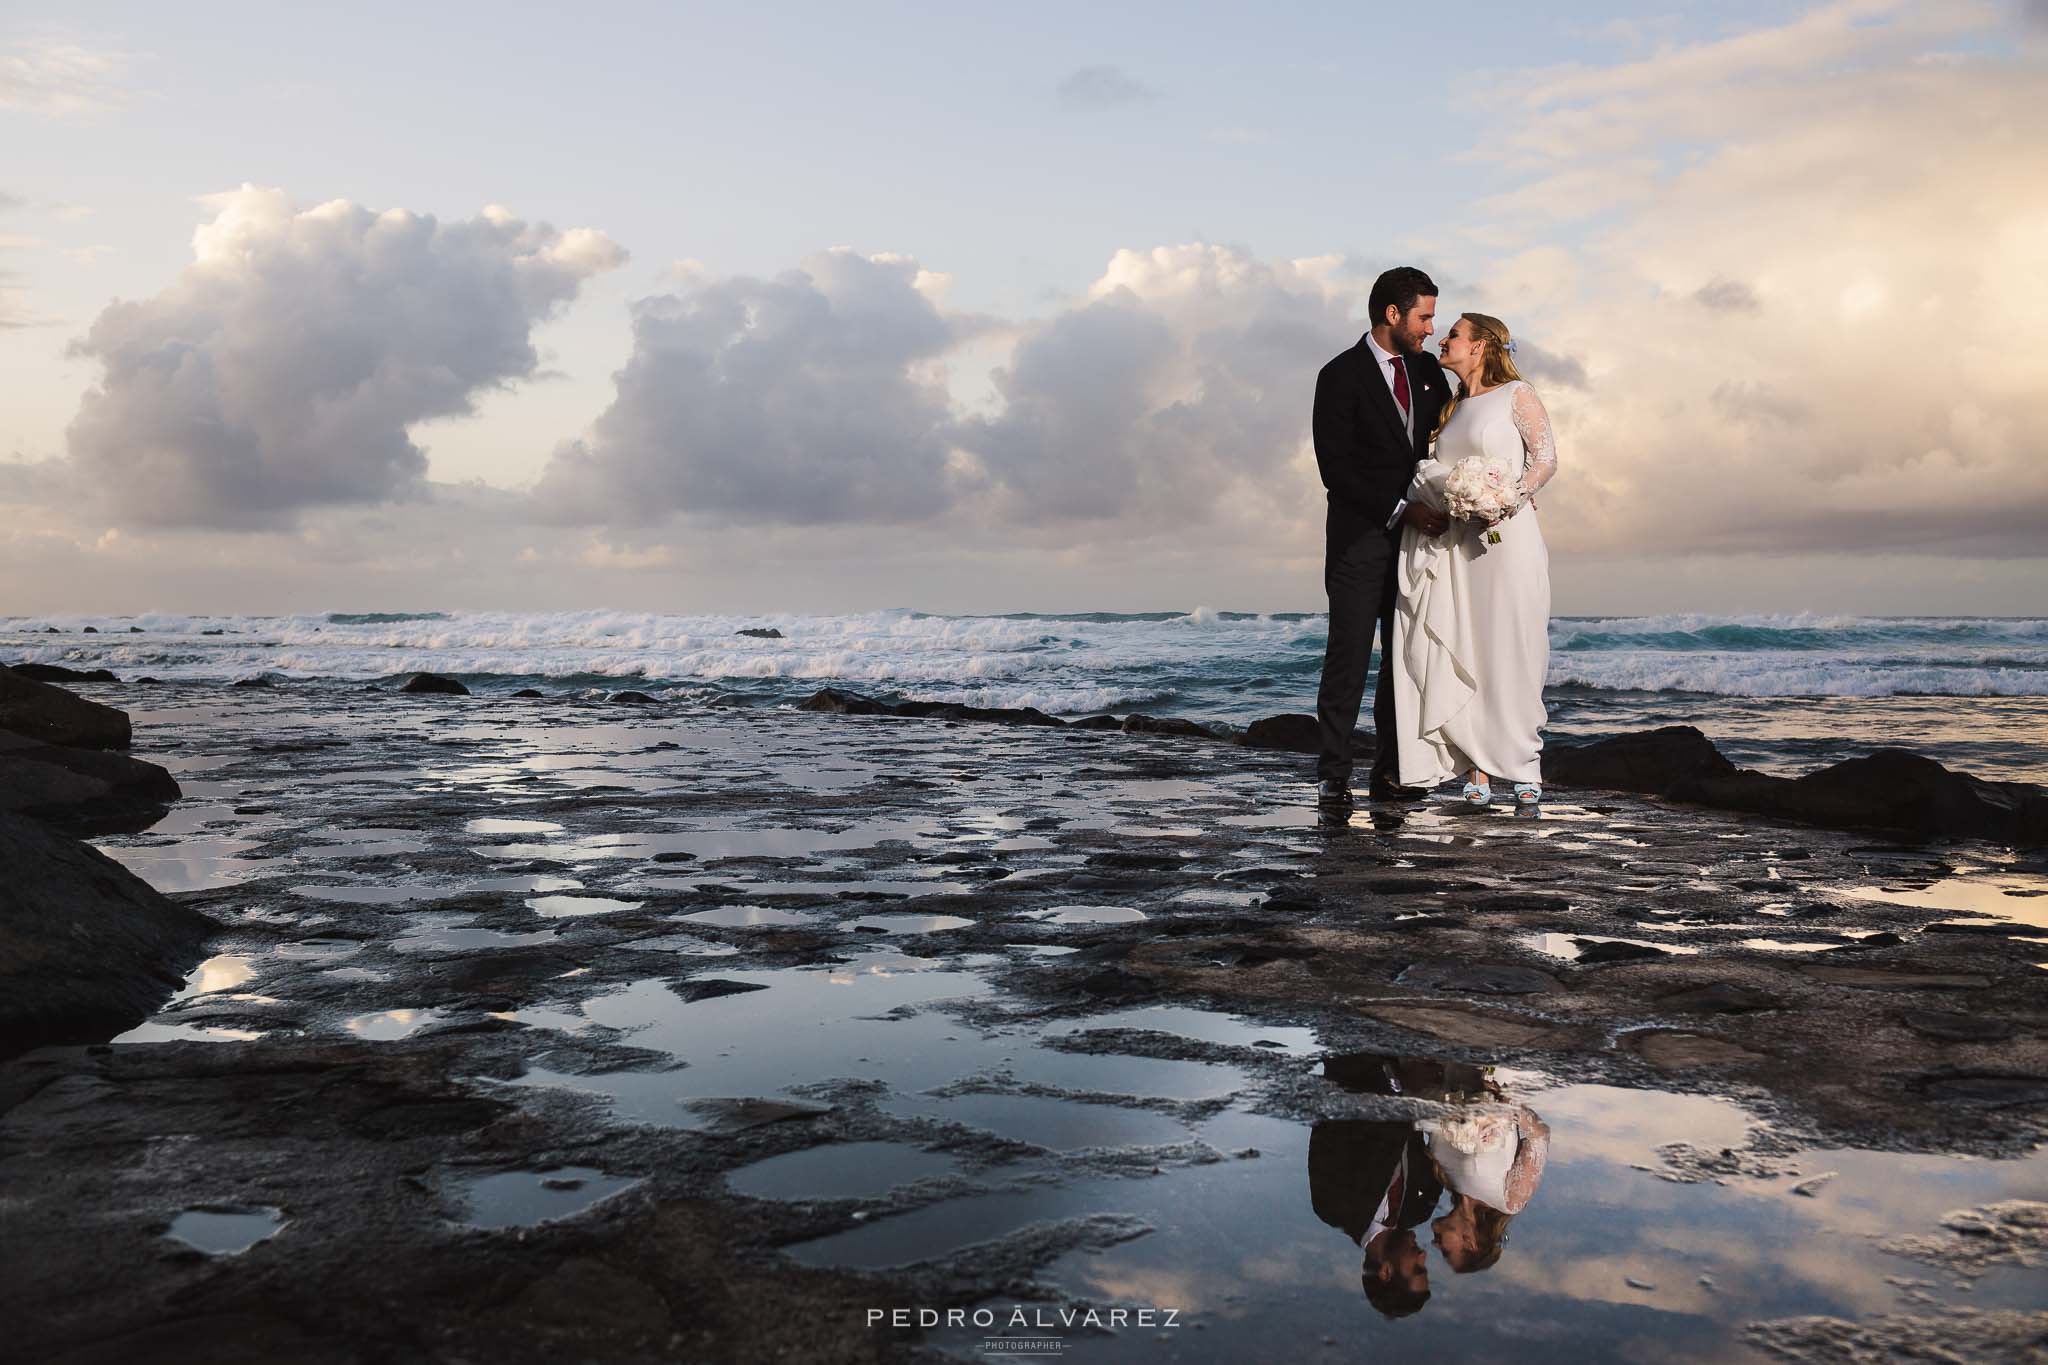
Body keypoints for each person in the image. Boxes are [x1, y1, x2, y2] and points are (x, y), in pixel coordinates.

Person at [1392, 312, 1558, 807]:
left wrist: (1506, 499)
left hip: (1509, 538)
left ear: (1482, 345)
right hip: (1459, 546)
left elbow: (1545, 459)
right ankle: (1478, 768)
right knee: (1470, 646)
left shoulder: (1517, 395)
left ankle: (1524, 761)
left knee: (1515, 644)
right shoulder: (1451, 407)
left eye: (1455, 334)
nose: (1444, 338)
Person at [1312, 267, 1453, 805]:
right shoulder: (1339, 375)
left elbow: (1443, 446)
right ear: (1392, 314)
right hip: (1359, 543)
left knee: (1403, 661)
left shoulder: (1428, 374)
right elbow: (1336, 469)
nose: (1430, 329)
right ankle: (1333, 772)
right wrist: (1402, 510)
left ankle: (1393, 771)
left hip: (1416, 550)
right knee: (1347, 658)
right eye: (1424, 316)